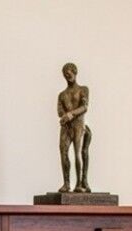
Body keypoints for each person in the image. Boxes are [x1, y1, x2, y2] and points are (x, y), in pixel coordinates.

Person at [57, 62, 92, 194]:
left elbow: (85, 107)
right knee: (63, 152)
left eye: (69, 72)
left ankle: (80, 183)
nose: (67, 75)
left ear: (75, 72)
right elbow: (59, 111)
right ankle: (66, 183)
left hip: (78, 124)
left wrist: (71, 114)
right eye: (65, 74)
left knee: (78, 152)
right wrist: (64, 117)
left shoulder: (83, 89)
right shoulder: (62, 95)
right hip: (66, 126)